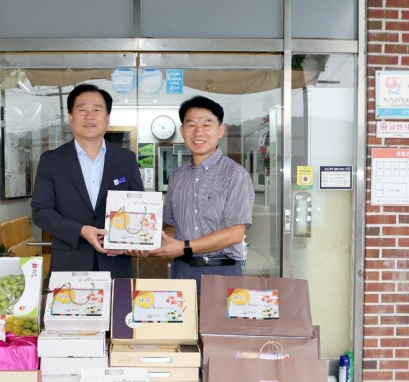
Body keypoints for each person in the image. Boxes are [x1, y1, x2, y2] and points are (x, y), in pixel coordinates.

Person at [31, 84, 144, 279]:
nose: (89, 116)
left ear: (107, 118)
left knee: (118, 302)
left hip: (116, 263)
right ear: (70, 117)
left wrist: (130, 242)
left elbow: (137, 207)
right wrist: (81, 230)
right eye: (82, 110)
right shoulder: (51, 160)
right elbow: (41, 212)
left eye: (97, 110)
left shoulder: (126, 159)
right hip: (68, 265)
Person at [149, 95, 255, 291]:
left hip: (222, 272)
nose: (198, 132)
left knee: (217, 315)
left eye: (207, 124)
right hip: (182, 269)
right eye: (191, 125)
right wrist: (148, 243)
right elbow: (173, 227)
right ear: (182, 131)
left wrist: (184, 247)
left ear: (220, 130)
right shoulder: (177, 177)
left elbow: (235, 233)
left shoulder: (235, 174)